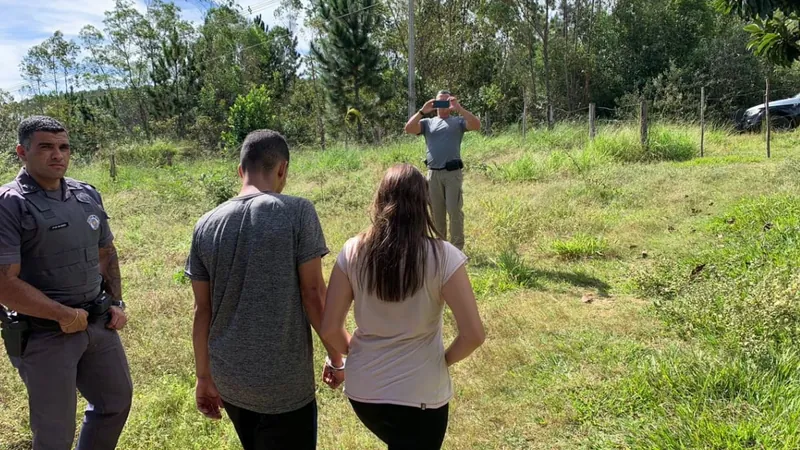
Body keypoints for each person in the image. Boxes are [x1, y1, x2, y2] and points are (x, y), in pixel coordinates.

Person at [185, 129, 348, 450]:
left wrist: (204, 378)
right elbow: (314, 295)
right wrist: (338, 356)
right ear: (282, 169)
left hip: (230, 379)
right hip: (283, 385)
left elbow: (201, 310)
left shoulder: (205, 224)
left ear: (240, 170)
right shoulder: (298, 212)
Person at [321, 163, 486, 450]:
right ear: (424, 203)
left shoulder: (352, 251)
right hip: (422, 398)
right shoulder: (443, 256)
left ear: (380, 201)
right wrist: (442, 361)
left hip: (365, 393)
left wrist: (359, 353)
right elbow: (474, 334)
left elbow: (330, 328)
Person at [0, 116, 132, 450]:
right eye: (46, 147)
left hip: (97, 323)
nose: (57, 155)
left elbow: (106, 252)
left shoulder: (86, 194)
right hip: (44, 334)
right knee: (55, 434)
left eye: (63, 147)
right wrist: (61, 314)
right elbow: (4, 283)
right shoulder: (10, 204)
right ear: (22, 152)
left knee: (115, 403)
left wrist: (116, 302)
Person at [404, 90, 481, 250]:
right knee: (436, 214)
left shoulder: (458, 121)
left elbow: (476, 125)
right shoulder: (427, 123)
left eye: (446, 102)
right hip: (433, 175)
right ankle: (441, 248)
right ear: (434, 104)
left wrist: (459, 108)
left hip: (452, 174)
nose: (443, 105)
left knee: (454, 211)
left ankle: (457, 249)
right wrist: (422, 111)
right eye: (439, 102)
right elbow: (409, 128)